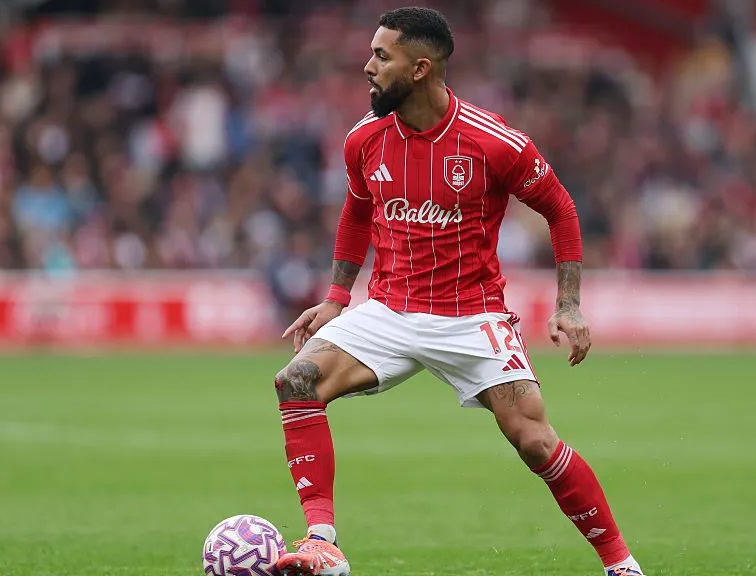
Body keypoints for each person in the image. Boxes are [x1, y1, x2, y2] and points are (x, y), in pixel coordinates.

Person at [271, 7, 646, 576]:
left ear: (420, 68)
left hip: (471, 316)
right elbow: (356, 211)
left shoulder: (495, 143)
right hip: (390, 309)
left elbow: (561, 209)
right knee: (296, 380)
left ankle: (621, 566)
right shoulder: (364, 140)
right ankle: (323, 544)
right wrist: (336, 297)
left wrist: (568, 305)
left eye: (381, 56)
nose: (366, 66)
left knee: (535, 441)